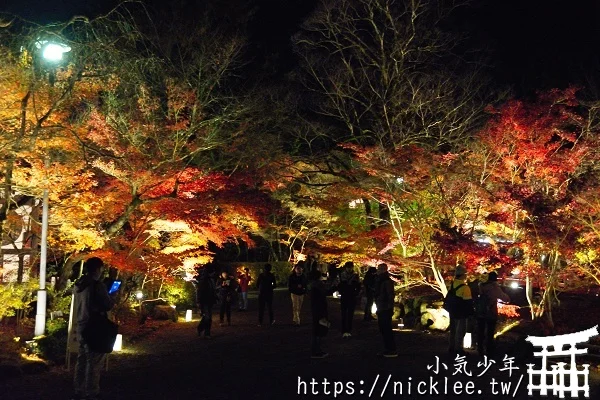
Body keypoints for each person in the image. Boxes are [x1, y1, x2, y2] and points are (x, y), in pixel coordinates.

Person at [73, 257, 115, 400]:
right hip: (94, 326)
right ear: (97, 269)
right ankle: (92, 392)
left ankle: (78, 390)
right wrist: (111, 294)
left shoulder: (79, 284)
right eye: (101, 269)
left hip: (81, 324)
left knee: (82, 360)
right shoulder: (97, 285)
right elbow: (107, 305)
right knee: (94, 361)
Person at [476, 271, 510, 357]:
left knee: (480, 331)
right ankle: (489, 351)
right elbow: (505, 298)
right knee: (490, 332)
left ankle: (479, 349)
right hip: (490, 312)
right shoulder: (494, 287)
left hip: (480, 311)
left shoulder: (480, 285)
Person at [447, 263, 474, 356]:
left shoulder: (452, 285)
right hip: (461, 312)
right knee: (460, 330)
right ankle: (458, 349)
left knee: (453, 329)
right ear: (463, 275)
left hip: (452, 310)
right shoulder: (465, 287)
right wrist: (471, 313)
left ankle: (451, 347)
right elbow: (468, 302)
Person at [374, 263, 397, 357]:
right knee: (384, 329)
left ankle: (391, 349)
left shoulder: (385, 281)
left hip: (384, 308)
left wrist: (388, 307)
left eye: (379, 269)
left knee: (386, 329)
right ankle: (388, 348)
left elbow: (390, 295)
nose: (377, 270)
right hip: (382, 307)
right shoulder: (381, 280)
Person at [336, 261, 361, 337]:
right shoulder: (341, 275)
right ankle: (344, 329)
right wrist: (341, 291)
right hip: (344, 295)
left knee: (350, 314)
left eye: (350, 267)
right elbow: (339, 285)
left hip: (352, 296)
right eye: (348, 268)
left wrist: (356, 293)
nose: (349, 269)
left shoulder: (355, 276)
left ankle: (349, 329)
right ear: (346, 268)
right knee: (343, 313)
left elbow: (359, 286)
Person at [309, 269, 330, 358]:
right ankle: (317, 351)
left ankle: (316, 350)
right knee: (319, 331)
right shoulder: (319, 286)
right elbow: (325, 294)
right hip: (320, 310)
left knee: (316, 331)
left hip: (315, 310)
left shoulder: (312, 286)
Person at [196, 266, 217, 339]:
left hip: (209, 301)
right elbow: (200, 292)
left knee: (207, 317)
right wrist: (199, 302)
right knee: (208, 317)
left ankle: (201, 329)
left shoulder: (210, 280)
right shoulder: (204, 281)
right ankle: (206, 332)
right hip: (205, 301)